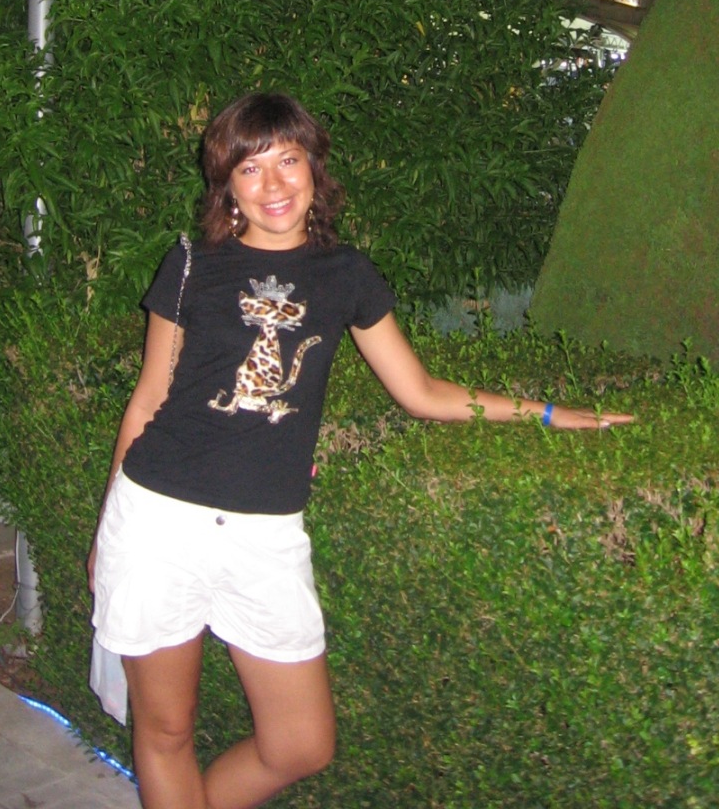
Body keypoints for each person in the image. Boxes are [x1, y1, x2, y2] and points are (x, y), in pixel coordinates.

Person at [88, 92, 633, 809]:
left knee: (301, 744)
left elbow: (422, 392)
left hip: (265, 534)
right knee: (166, 732)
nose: (273, 184)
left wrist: (553, 414)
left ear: (314, 170)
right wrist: (107, 528)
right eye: (250, 169)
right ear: (227, 187)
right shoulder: (192, 264)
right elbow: (148, 401)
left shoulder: (345, 274)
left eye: (288, 161)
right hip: (159, 519)